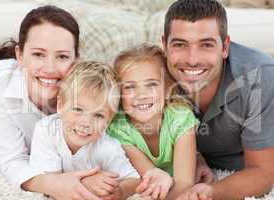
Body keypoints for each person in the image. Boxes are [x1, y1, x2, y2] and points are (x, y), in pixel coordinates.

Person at [0, 5, 102, 200]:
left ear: (76, 61)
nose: (49, 68)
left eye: (62, 56)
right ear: (19, 55)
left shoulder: (86, 89)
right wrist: (54, 184)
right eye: (38, 54)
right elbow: (14, 159)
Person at [162, 0, 274, 199]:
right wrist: (194, 156)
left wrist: (211, 192)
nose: (192, 59)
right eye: (180, 44)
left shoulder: (260, 76)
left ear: (225, 47)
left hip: (243, 168)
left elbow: (263, 172)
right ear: (165, 45)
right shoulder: (154, 73)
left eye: (206, 45)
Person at [29, 61, 141, 200]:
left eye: (99, 115)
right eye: (78, 109)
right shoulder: (46, 131)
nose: (86, 123)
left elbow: (134, 180)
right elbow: (53, 186)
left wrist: (119, 192)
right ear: (60, 105)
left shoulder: (107, 147)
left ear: (109, 121)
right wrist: (86, 183)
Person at [108, 44, 203, 199]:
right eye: (129, 87)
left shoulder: (180, 117)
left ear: (167, 90)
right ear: (119, 94)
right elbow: (152, 181)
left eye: (151, 84)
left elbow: (184, 184)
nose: (141, 95)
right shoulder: (118, 128)